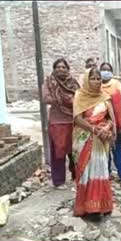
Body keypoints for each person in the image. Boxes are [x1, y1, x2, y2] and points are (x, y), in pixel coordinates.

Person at [71, 68, 115, 218]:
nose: (96, 82)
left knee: (100, 170)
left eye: (98, 79)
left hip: (101, 140)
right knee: (87, 173)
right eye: (93, 78)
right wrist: (94, 129)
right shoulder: (79, 96)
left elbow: (110, 118)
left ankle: (102, 204)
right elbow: (77, 118)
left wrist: (107, 127)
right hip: (85, 139)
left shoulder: (105, 97)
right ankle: (88, 208)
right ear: (86, 80)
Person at [41, 58, 80, 187]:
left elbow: (79, 98)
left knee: (75, 151)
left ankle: (76, 176)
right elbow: (46, 98)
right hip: (57, 122)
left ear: (67, 69)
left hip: (73, 120)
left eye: (63, 67)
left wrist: (61, 99)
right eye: (58, 67)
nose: (61, 69)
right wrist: (67, 99)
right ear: (54, 69)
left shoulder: (73, 83)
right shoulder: (49, 83)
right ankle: (58, 181)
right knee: (58, 152)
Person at [99, 62, 121, 181]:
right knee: (104, 149)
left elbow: (120, 105)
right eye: (103, 69)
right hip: (101, 123)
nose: (105, 72)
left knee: (118, 148)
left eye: (108, 69)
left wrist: (119, 124)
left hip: (116, 121)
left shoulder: (116, 84)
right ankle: (107, 173)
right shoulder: (96, 85)